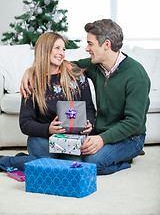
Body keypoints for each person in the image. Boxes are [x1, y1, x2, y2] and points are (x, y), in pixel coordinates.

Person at [19, 19, 151, 175]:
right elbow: (60, 65)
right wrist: (31, 71)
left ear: (106, 45)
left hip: (130, 137)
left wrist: (101, 139)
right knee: (74, 159)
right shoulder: (94, 66)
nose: (87, 49)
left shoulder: (136, 75)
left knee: (92, 163)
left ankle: (125, 157)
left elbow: (134, 123)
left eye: (90, 44)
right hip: (99, 133)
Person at [0, 32, 95, 173]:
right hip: (42, 138)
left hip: (71, 139)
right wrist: (48, 129)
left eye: (63, 49)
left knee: (73, 168)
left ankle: (21, 160)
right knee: (49, 165)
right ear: (44, 49)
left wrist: (89, 123)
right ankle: (4, 161)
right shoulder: (32, 80)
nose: (61, 53)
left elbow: (89, 108)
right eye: (57, 48)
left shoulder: (76, 75)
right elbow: (25, 123)